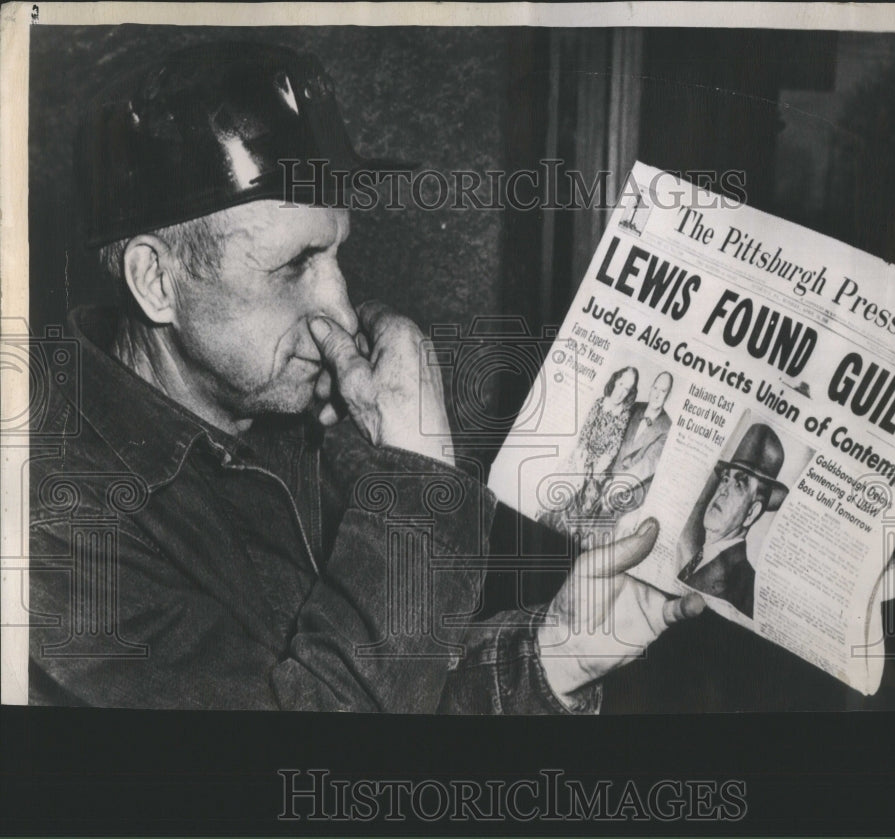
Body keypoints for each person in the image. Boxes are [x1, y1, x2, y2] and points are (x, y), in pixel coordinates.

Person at [29, 41, 703, 712]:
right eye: (294, 266)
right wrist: (413, 483)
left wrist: (556, 654)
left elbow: (395, 693)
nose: (342, 308)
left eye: (337, 254)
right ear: (155, 280)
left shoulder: (284, 414)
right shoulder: (53, 532)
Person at [675, 423, 788, 619]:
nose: (723, 490)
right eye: (726, 479)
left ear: (752, 513)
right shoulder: (699, 555)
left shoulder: (742, 587)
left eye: (739, 484)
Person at [537, 366, 637, 536]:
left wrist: (592, 475)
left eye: (626, 389)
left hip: (600, 468)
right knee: (558, 490)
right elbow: (584, 436)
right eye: (620, 384)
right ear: (615, 380)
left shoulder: (624, 414)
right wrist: (580, 467)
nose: (621, 392)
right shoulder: (599, 403)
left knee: (585, 504)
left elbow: (612, 448)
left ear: (630, 393)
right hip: (580, 459)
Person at [600, 370, 674, 518]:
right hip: (604, 478)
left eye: (663, 391)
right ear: (651, 388)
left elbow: (648, 464)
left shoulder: (667, 426)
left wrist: (617, 484)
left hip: (628, 495)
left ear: (669, 395)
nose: (657, 395)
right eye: (655, 388)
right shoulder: (633, 407)